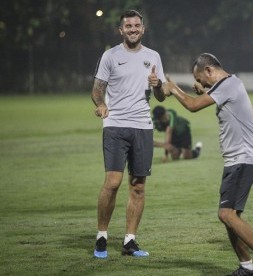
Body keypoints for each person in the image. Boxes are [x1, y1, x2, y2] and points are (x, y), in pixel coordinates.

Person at [163, 53, 253, 275]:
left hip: (243, 159)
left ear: (209, 70)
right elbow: (210, 98)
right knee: (229, 216)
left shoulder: (228, 84)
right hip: (237, 160)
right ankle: (246, 266)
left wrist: (173, 88)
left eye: (201, 79)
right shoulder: (230, 84)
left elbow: (193, 106)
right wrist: (207, 90)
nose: (201, 84)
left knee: (226, 214)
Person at [91, 10, 166, 259]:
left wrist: (158, 86)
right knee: (113, 182)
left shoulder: (153, 56)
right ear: (120, 30)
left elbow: (161, 96)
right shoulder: (110, 55)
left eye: (137, 25)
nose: (133, 29)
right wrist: (100, 105)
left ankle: (129, 242)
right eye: (128, 26)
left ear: (143, 29)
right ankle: (102, 236)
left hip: (142, 126)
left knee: (138, 186)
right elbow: (97, 90)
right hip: (115, 125)